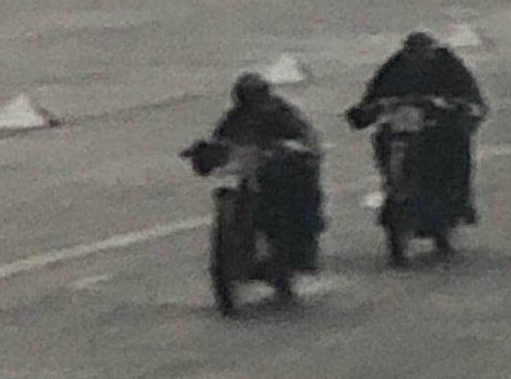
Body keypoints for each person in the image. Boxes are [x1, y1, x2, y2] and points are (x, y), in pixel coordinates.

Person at [346, 30, 486, 224]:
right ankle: (392, 184)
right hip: (405, 124)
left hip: (440, 122)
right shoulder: (394, 67)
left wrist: (454, 106)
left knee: (457, 141)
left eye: (423, 54)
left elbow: (471, 97)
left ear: (432, 53)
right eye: (412, 54)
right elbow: (373, 96)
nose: (417, 60)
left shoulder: (450, 66)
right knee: (382, 137)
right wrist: (367, 110)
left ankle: (460, 198)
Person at [190, 71, 325, 271]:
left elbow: (305, 138)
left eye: (253, 95)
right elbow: (221, 139)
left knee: (301, 189)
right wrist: (207, 151)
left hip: (280, 171)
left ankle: (302, 244)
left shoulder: (283, 113)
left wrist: (293, 149)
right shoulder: (235, 117)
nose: (250, 101)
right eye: (245, 96)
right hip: (251, 172)